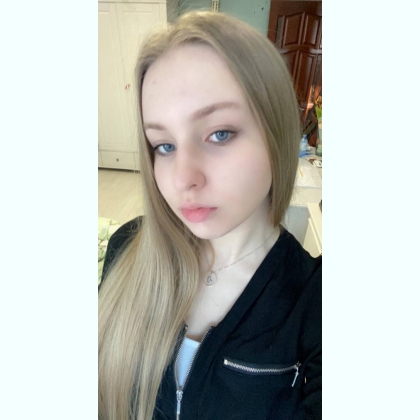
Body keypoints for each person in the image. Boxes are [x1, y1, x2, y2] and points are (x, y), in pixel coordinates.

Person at [98, 10, 321, 420]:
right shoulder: (126, 248)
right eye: (164, 145)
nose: (183, 178)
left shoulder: (316, 302)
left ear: (277, 132)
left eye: (220, 134)